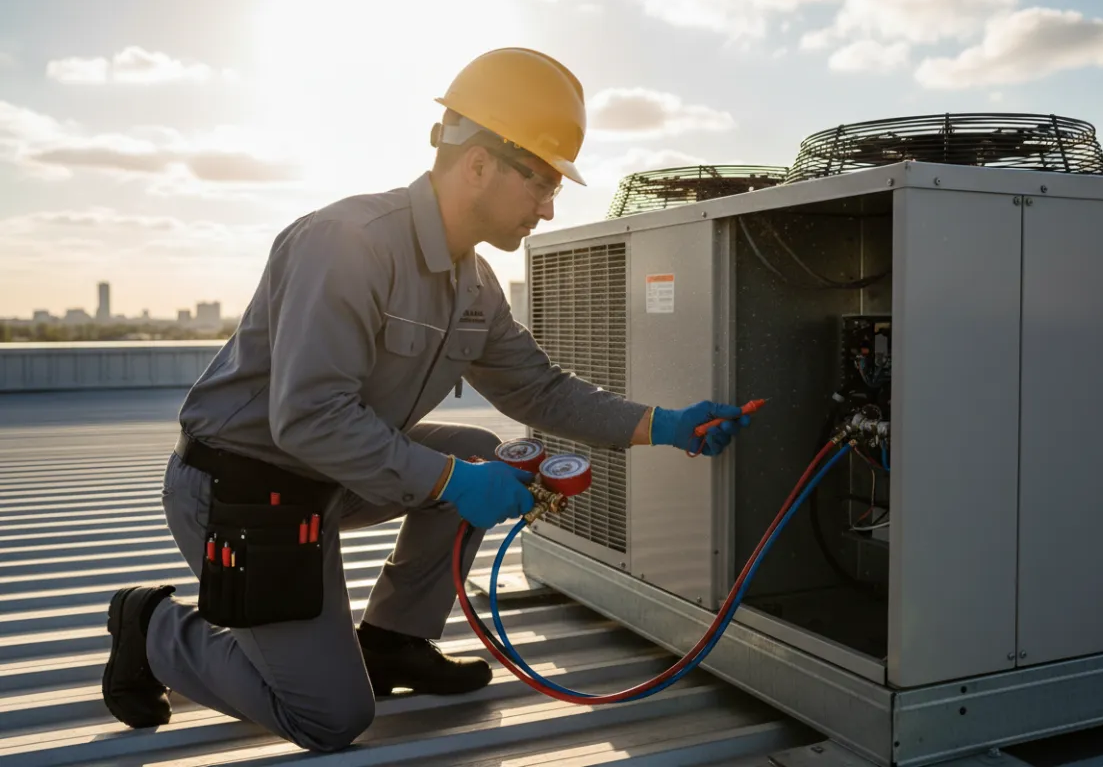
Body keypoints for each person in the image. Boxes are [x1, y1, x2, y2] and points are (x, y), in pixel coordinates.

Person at [101, 47, 753, 752]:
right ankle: (152, 629)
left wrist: (665, 426)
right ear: (477, 164)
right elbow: (309, 418)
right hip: (243, 494)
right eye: (540, 182)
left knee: (478, 451)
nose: (548, 207)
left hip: (326, 481)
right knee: (328, 717)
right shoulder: (346, 244)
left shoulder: (474, 285)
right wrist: (450, 483)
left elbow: (538, 389)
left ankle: (392, 641)